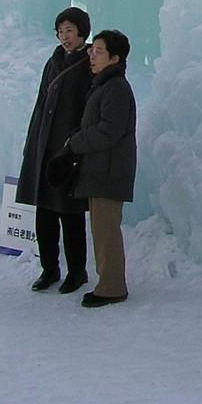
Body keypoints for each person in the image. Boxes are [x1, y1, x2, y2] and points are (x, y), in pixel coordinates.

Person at [15, 7, 93, 294]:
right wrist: (31, 143)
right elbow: (40, 103)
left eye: (69, 30)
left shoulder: (87, 64)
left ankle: (77, 271)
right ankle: (49, 268)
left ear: (82, 32)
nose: (64, 37)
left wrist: (77, 148)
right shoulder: (54, 61)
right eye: (60, 31)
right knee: (44, 212)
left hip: (68, 150)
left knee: (70, 214)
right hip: (45, 145)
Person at [66, 29, 136, 308]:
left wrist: (75, 142)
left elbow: (109, 131)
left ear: (115, 58)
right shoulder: (105, 85)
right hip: (100, 170)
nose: (92, 56)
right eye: (91, 50)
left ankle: (112, 288)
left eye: (98, 51)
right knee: (101, 229)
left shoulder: (115, 88)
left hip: (109, 171)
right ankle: (107, 283)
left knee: (106, 231)